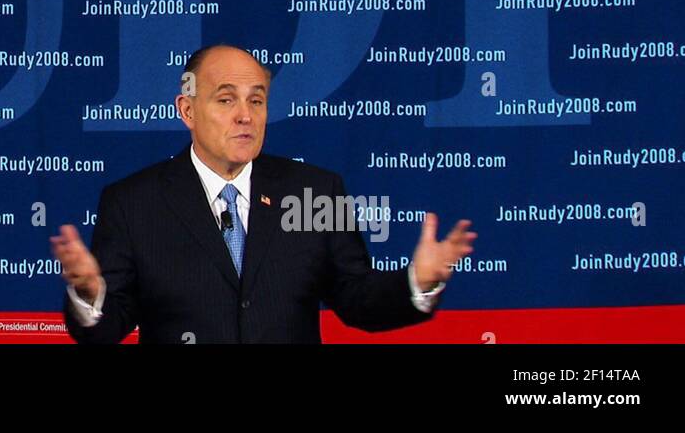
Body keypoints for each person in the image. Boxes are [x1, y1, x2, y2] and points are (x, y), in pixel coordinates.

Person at [51, 44, 476, 344]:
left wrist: (415, 283)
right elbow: (106, 330)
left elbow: (357, 300)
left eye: (257, 100)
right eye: (226, 99)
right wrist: (91, 295)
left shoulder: (313, 193)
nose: (245, 116)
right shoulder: (133, 203)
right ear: (187, 110)